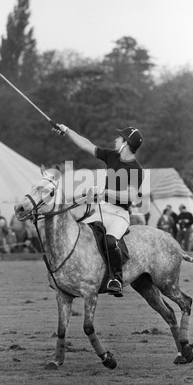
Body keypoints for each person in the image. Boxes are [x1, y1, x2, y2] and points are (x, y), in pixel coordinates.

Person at [53, 123, 144, 298]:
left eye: (119, 138)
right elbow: (87, 145)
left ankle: (115, 279)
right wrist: (67, 130)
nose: (115, 139)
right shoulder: (111, 156)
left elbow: (129, 197)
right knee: (76, 231)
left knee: (110, 241)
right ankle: (69, 273)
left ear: (126, 144)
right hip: (102, 209)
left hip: (120, 215)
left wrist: (104, 191)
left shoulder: (136, 170)